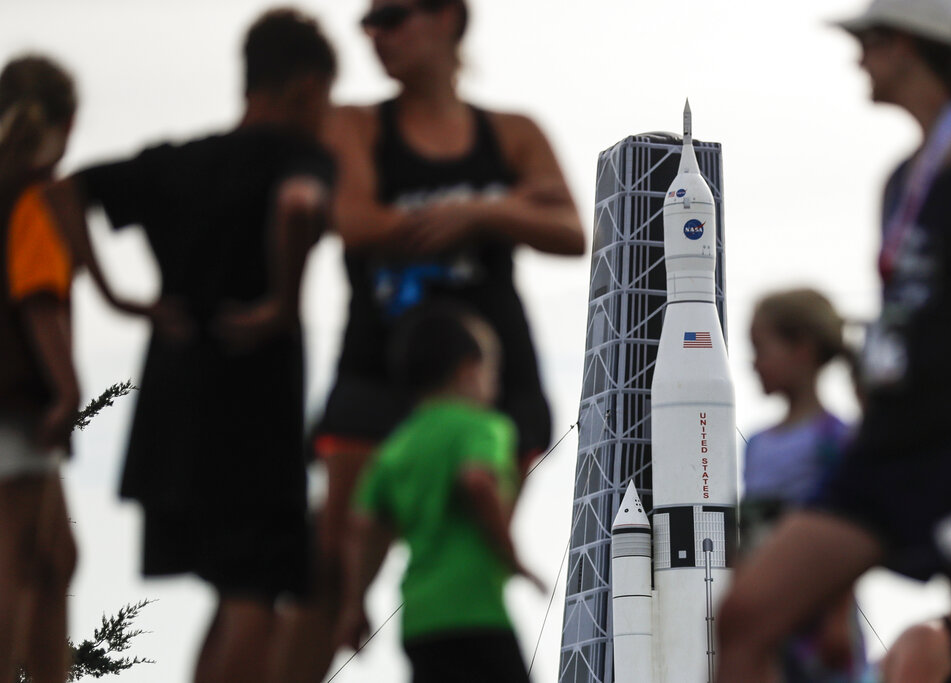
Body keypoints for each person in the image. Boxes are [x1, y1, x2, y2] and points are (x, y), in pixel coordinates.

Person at [274, 1, 585, 678]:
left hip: (490, 380)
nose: (375, 34)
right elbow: (353, 219)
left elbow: (570, 228)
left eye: (392, 16)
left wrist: (481, 209)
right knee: (330, 570)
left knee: (463, 553)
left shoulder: (510, 132)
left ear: (448, 18)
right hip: (378, 372)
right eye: (368, 22)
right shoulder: (356, 124)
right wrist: (499, 210)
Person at [716, 0, 951, 680]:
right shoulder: (896, 180)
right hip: (890, 441)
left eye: (869, 41)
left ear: (908, 47)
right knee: (741, 618)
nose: (858, 57)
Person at [43, 9, 337, 682]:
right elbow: (297, 205)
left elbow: (62, 192)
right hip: (255, 406)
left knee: (231, 593)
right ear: (302, 87)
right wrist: (281, 302)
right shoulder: (298, 156)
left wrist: (117, 296)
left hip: (173, 406)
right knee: (258, 594)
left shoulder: (180, 161)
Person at [336, 303, 542, 683]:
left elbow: (362, 524)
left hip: (419, 621)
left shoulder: (396, 446)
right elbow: (477, 479)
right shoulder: (483, 426)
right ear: (468, 372)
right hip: (476, 613)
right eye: (492, 371)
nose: (494, 385)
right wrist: (513, 557)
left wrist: (354, 605)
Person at [0, 55, 79, 683]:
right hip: (19, 401)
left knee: (54, 555)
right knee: (18, 557)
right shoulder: (33, 195)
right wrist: (67, 386)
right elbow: (38, 297)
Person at [742, 288, 867, 682]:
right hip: (767, 617)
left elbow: (849, 527)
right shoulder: (758, 443)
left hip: (819, 618)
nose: (754, 364)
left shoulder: (834, 437)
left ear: (802, 349)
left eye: (762, 349)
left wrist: (837, 618)